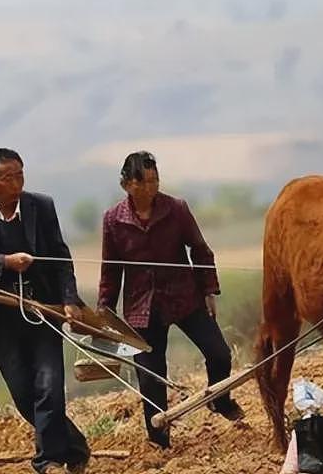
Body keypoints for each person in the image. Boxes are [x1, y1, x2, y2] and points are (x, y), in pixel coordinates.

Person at [0, 147, 91, 474]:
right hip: (0, 316)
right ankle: (74, 447)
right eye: (8, 177)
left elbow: (60, 257)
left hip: (43, 310)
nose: (16, 183)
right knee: (24, 393)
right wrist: (5, 262)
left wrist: (70, 300)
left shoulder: (41, 207)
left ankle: (48, 461)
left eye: (20, 175)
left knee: (50, 385)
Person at [98, 150, 244, 448]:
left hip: (185, 298)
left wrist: (208, 291)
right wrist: (105, 310)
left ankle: (220, 399)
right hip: (141, 308)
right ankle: (159, 440)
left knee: (219, 355)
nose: (151, 188)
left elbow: (200, 250)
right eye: (143, 182)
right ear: (127, 184)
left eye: (155, 181)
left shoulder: (176, 209)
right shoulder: (113, 220)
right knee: (150, 377)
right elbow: (111, 269)